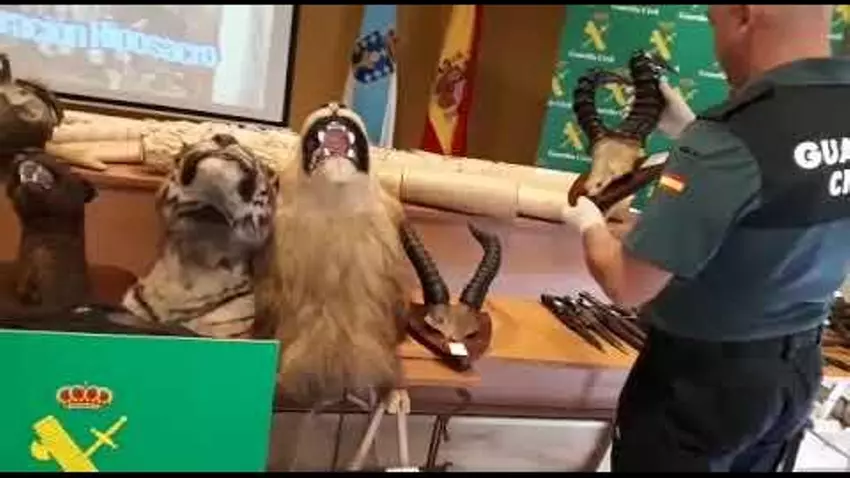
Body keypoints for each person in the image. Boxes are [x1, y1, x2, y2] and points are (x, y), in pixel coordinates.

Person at [561, 5, 847, 472]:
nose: (717, 47)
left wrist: (588, 224)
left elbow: (627, 284)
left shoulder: (732, 135)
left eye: (715, 24)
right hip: (795, 374)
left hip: (701, 388)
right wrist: (689, 135)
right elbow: (788, 186)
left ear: (744, 16)